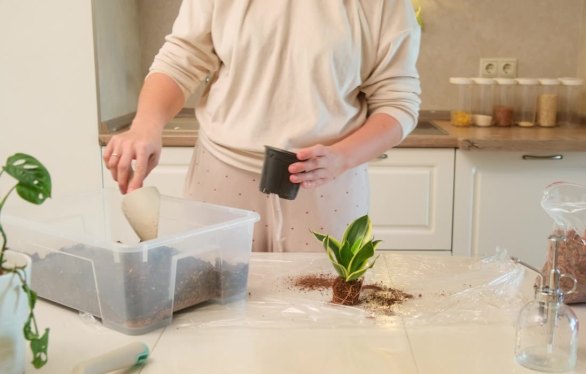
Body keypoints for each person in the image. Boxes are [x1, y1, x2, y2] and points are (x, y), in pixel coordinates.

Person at [103, 0, 421, 252]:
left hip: (327, 184)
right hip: (221, 176)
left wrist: (341, 158)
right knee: (214, 310)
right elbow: (181, 59)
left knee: (328, 319)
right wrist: (146, 124)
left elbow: (397, 102)